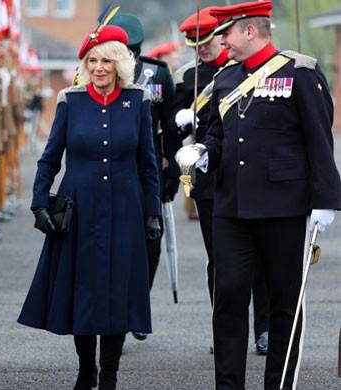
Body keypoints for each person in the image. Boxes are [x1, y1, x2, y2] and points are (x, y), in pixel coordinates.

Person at [176, 1, 341, 389]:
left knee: (284, 302)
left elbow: (319, 138)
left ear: (250, 31)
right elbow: (217, 132)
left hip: (282, 206)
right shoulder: (227, 78)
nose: (222, 43)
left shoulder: (300, 72)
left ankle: (278, 383)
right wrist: (203, 152)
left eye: (226, 34)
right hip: (231, 206)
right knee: (229, 296)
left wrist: (325, 198)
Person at [17, 25, 161, 390]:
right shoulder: (70, 100)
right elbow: (49, 159)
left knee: (118, 292)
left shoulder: (138, 100)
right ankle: (86, 368)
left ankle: (110, 374)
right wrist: (38, 203)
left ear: (120, 65)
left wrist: (152, 213)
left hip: (126, 209)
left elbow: (148, 164)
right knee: (83, 289)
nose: (98, 68)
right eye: (92, 60)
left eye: (106, 61)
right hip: (78, 210)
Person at [170, 6, 270, 356]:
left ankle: (264, 328)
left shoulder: (246, 68)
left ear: (223, 36)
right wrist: (179, 120)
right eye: (195, 43)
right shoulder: (187, 76)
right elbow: (172, 123)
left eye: (208, 40)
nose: (202, 48)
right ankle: (225, 328)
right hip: (211, 178)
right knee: (221, 260)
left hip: (250, 174)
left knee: (259, 257)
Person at [109, 15, 177, 341]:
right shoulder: (98, 72)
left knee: (151, 246)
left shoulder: (158, 74)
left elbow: (170, 130)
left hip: (149, 173)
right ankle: (118, 310)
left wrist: (173, 172)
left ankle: (138, 300)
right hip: (115, 173)